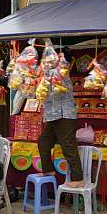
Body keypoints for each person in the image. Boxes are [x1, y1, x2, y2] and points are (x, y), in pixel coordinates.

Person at [38, 59, 84, 188]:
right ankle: (48, 170)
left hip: (65, 115)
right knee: (43, 142)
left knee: (68, 145)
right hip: (52, 115)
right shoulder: (46, 75)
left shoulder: (61, 73)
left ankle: (78, 178)